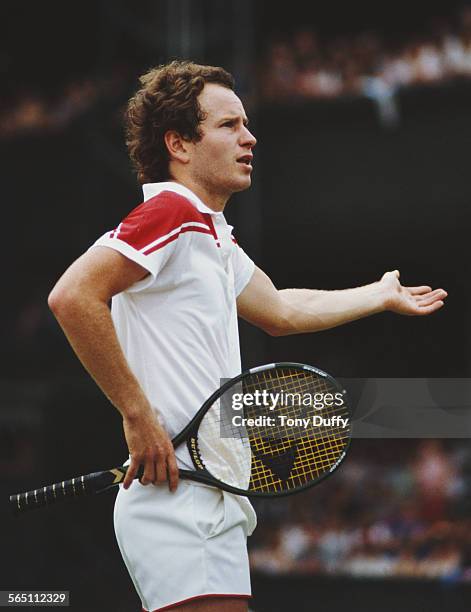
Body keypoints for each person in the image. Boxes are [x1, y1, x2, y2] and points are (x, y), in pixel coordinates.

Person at [47, 60, 447, 612]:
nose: (249, 136)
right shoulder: (170, 214)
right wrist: (136, 414)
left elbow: (281, 309)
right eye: (229, 125)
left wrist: (378, 294)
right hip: (176, 497)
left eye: (246, 123)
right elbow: (72, 297)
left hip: (210, 497)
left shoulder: (210, 235)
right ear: (180, 145)